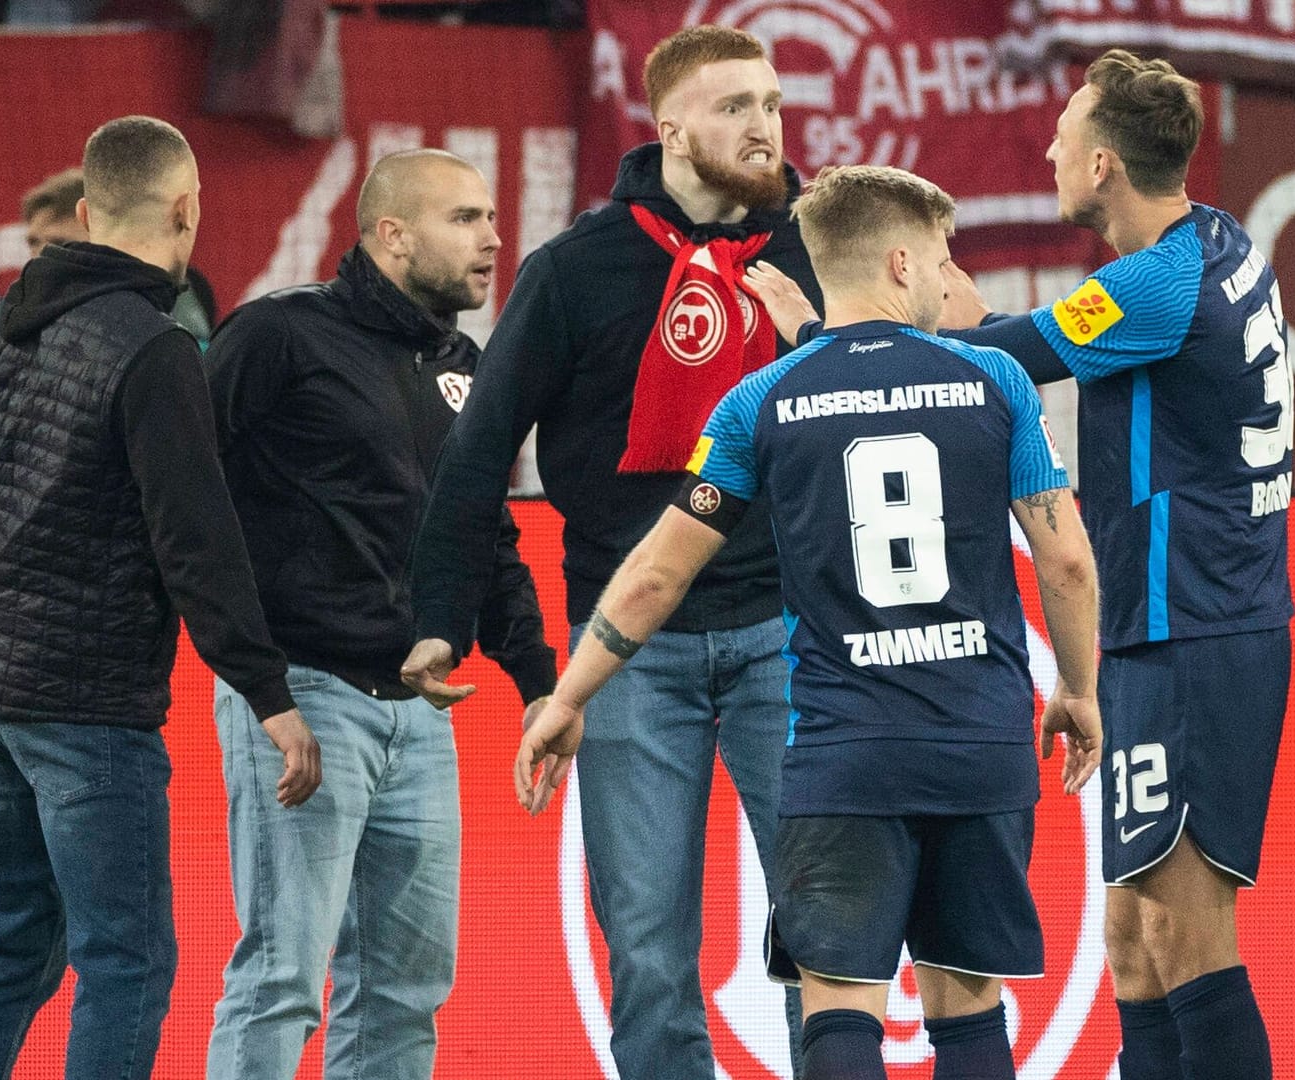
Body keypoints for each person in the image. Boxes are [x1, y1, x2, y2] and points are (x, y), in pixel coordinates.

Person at [753, 49, 1293, 1080]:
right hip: (1174, 626)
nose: (1047, 147)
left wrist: (831, 335)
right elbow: (1020, 336)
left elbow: (995, 357)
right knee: (1135, 949)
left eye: (1063, 135)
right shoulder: (1213, 243)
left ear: (1102, 167)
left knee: (1188, 941)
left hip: (1195, 632)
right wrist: (943, 296)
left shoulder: (1156, 286)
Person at [516, 164, 1103, 1080]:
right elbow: (1065, 559)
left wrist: (570, 693)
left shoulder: (760, 401)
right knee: (968, 1006)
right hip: (977, 743)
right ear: (903, 263)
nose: (950, 280)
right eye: (943, 260)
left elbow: (657, 573)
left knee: (839, 1008)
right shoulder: (995, 380)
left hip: (842, 751)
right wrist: (1077, 687)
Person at [404, 25, 821, 1074]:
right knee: (647, 953)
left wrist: (817, 335)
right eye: (736, 107)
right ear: (670, 126)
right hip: (630, 650)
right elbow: (479, 451)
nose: (763, 126)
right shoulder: (576, 270)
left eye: (771, 104)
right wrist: (439, 621)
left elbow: (906, 392)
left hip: (793, 630)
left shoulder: (821, 248)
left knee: (828, 935)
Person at [0, 115, 321, 1080]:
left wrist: (22, 582)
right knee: (128, 963)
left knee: (17, 942)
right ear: (188, 207)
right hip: (86, 703)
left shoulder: (10, 328)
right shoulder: (156, 350)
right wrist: (270, 694)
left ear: (88, 212)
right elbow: (197, 543)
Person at [202, 149, 556, 1080]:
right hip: (302, 700)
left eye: (490, 216)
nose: (493, 237)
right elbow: (188, 507)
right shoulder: (275, 337)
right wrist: (260, 686)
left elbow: (488, 539)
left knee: (406, 989)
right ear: (391, 235)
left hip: (419, 718)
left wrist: (540, 682)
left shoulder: (466, 365)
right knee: (283, 977)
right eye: (466, 218)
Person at [22, 165, 221, 345]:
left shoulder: (181, 298)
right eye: (34, 242)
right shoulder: (11, 321)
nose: (41, 256)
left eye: (60, 244)